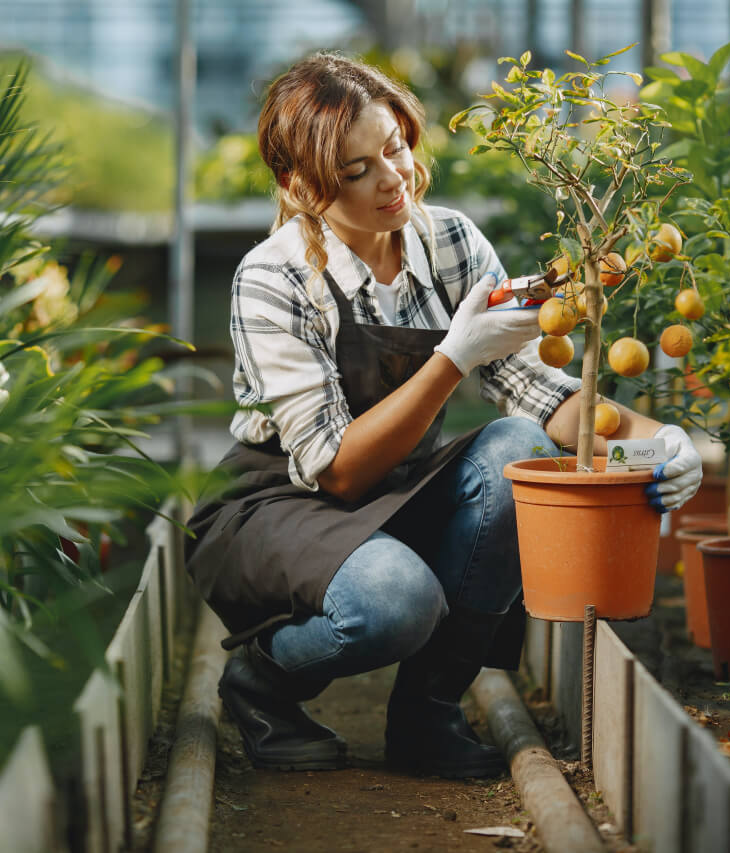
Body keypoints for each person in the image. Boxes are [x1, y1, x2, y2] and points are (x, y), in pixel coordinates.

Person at [186, 52, 702, 779]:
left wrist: (661, 442)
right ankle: (263, 684)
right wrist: (454, 355)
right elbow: (334, 469)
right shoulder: (274, 278)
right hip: (279, 502)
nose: (392, 178)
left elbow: (539, 392)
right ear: (301, 186)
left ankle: (428, 715)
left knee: (516, 445)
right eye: (356, 170)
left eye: (394, 146)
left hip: (390, 487)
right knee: (395, 599)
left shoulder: (451, 243)